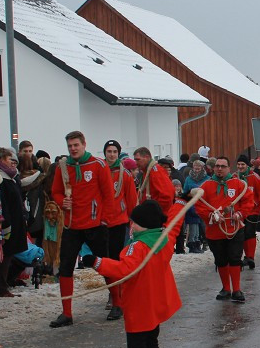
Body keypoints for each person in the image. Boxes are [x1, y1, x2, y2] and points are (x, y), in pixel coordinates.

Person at [82, 199, 184, 348]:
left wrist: (96, 262)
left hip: (140, 304)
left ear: (144, 225)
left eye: (134, 223)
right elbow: (175, 220)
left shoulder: (138, 246)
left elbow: (123, 269)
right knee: (151, 343)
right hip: (156, 302)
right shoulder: (164, 237)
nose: (131, 226)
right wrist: (182, 199)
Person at [49, 131, 114, 328]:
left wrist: (105, 220)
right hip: (72, 225)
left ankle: (118, 303)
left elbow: (108, 194)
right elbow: (56, 191)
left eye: (76, 145)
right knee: (66, 268)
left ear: (84, 144)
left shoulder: (98, 165)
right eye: (70, 146)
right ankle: (66, 313)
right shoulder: (63, 166)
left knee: (106, 266)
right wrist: (62, 202)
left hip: (95, 225)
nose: (73, 149)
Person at [193, 157, 248, 303]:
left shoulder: (238, 184)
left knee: (235, 258)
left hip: (234, 228)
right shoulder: (206, 186)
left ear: (229, 168)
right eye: (217, 166)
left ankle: (236, 289)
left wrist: (240, 214)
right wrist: (211, 215)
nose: (219, 169)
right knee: (221, 260)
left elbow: (247, 201)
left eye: (223, 166)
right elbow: (199, 205)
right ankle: (226, 289)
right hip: (215, 230)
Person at [103, 140, 138, 320]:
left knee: (116, 261)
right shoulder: (99, 172)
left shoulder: (125, 175)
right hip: (101, 223)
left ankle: (117, 298)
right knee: (104, 262)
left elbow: (131, 199)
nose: (111, 155)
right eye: (109, 151)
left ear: (119, 153)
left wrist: (133, 221)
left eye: (114, 151)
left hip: (119, 222)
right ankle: (113, 292)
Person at [0, 147, 26, 298]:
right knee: (3, 256)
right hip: (7, 223)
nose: (11, 161)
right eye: (7, 158)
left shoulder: (12, 177)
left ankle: (4, 283)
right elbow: (2, 204)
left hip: (16, 221)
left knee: (10, 256)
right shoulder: (1, 179)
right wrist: (6, 224)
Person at [237, 156, 260, 268]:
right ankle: (241, 257)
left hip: (252, 210)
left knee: (249, 232)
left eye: (243, 164)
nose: (240, 166)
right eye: (239, 164)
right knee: (240, 234)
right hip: (238, 211)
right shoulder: (234, 177)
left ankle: (250, 257)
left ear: (247, 165)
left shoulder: (255, 177)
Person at [134, 147, 176, 215]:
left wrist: (155, 212)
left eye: (138, 160)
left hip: (157, 217)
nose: (136, 163)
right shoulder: (147, 172)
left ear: (147, 157)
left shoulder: (155, 172)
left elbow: (167, 195)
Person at [181, 160, 208, 253]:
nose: (196, 170)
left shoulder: (207, 178)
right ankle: (193, 244)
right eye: (195, 168)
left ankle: (204, 243)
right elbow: (185, 191)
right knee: (194, 225)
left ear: (202, 168)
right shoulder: (189, 179)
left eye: (198, 168)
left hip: (204, 204)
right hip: (192, 205)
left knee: (204, 226)